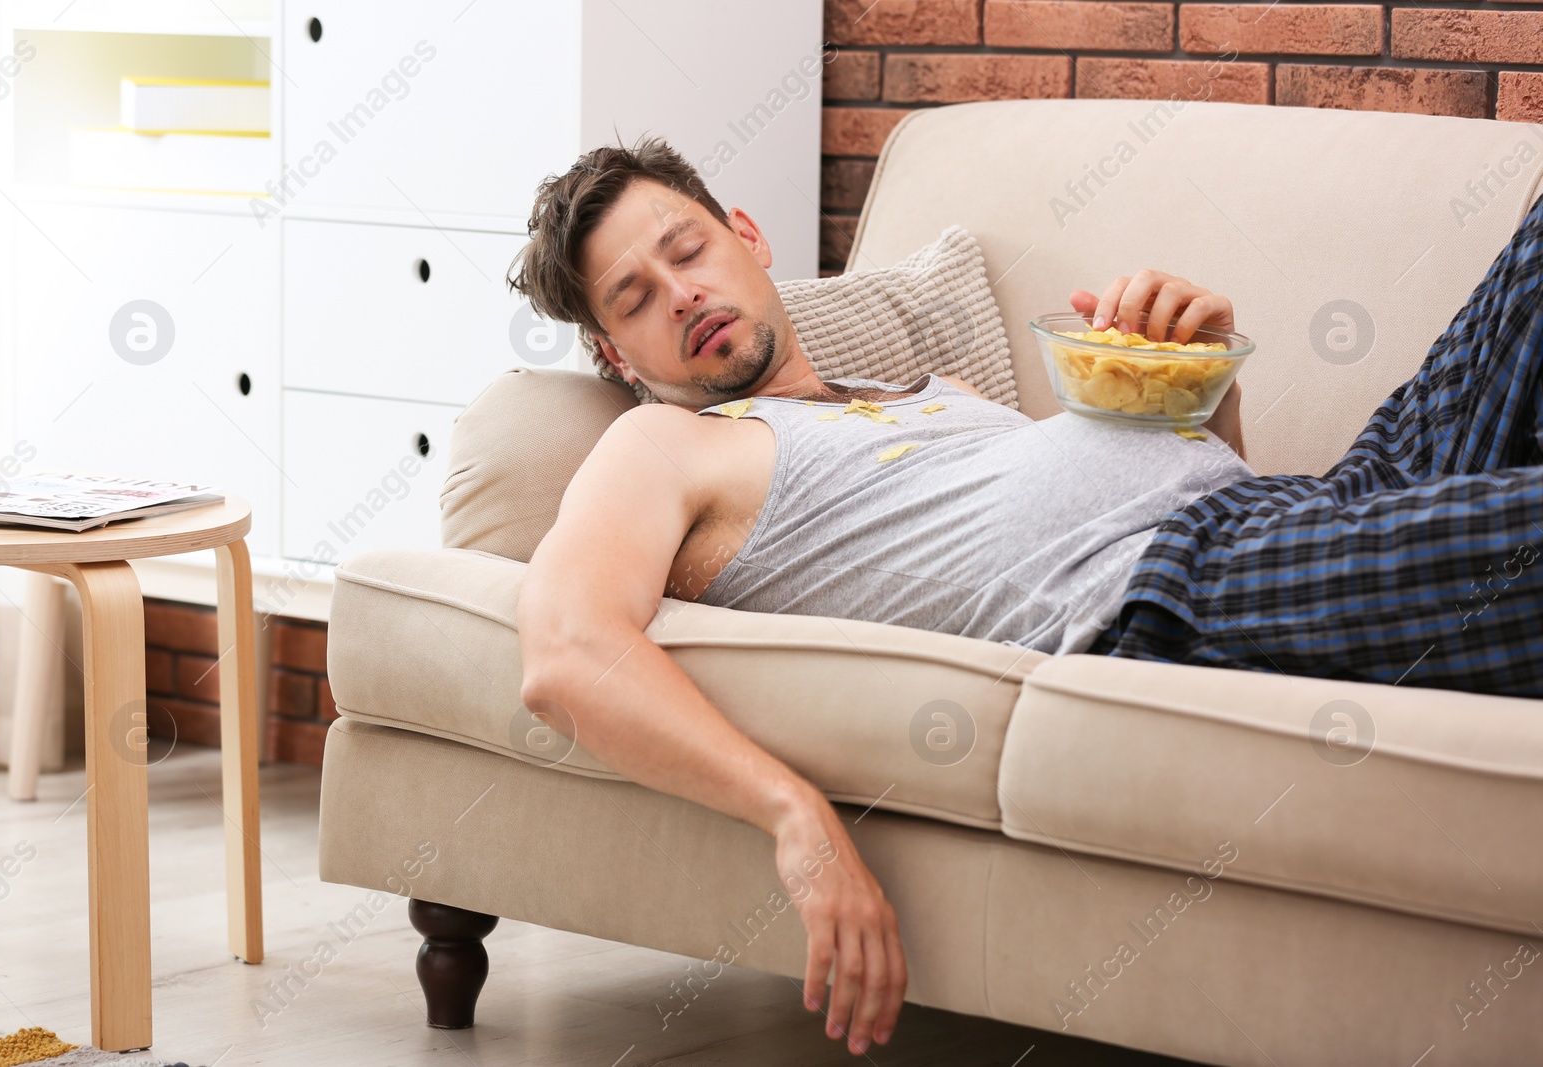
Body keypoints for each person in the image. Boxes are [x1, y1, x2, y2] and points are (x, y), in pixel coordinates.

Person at [509, 136, 1542, 1057]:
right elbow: (564, 649)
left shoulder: (938, 391)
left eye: (683, 250)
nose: (678, 292)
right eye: (633, 298)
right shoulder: (666, 444)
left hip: (1300, 510)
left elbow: (1195, 480)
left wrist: (1204, 376)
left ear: (745, 235)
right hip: (1182, 592)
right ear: (613, 356)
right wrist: (795, 815)